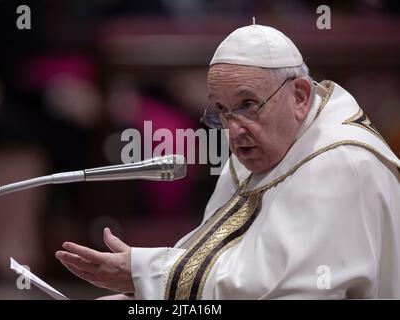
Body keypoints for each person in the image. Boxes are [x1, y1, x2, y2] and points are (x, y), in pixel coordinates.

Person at [55, 24, 400, 299]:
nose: (234, 130)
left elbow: (284, 291)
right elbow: (226, 264)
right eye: (221, 111)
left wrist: (146, 274)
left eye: (248, 104)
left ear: (299, 96)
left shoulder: (341, 165)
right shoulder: (263, 146)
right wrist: (139, 294)